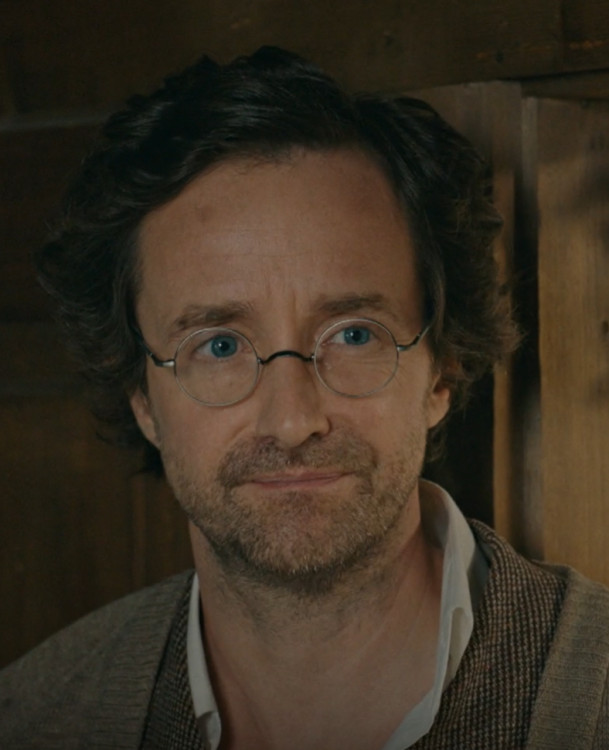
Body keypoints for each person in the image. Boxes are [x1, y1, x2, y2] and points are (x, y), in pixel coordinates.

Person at [1, 46, 608, 750]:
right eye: (218, 346)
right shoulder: (35, 716)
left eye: (353, 334)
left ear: (442, 370)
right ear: (141, 396)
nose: (292, 421)